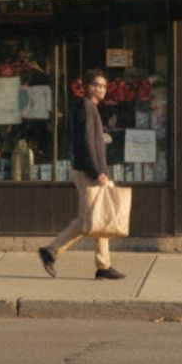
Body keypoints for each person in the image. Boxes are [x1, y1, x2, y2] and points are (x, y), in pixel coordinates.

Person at [38, 69, 122, 280]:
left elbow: (92, 141)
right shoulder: (86, 107)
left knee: (97, 217)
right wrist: (97, 172)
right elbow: (85, 143)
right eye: (97, 85)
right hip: (88, 171)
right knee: (90, 219)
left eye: (104, 85)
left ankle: (103, 265)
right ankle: (52, 250)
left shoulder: (89, 107)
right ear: (87, 86)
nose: (101, 89)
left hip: (92, 170)